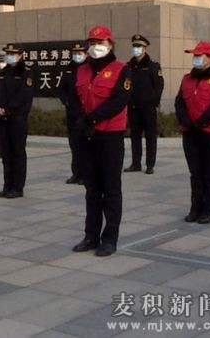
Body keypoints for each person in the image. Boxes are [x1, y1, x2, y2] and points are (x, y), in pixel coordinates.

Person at [71, 26, 130, 258]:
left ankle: (110, 238)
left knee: (111, 189)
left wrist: (92, 119)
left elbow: (119, 100)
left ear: (110, 45)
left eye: (101, 42)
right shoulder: (81, 70)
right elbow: (74, 99)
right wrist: (82, 122)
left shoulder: (121, 69)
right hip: (87, 136)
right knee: (92, 189)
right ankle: (91, 236)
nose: (96, 47)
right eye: (92, 42)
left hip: (110, 136)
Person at [175, 41, 210, 224]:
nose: (195, 58)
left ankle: (208, 211)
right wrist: (186, 122)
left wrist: (200, 123)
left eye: (199, 56)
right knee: (195, 173)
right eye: (194, 56)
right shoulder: (187, 79)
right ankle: (195, 209)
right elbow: (179, 102)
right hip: (190, 132)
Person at [0, 43, 34, 198]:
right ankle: (7, 185)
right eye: (8, 54)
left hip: (17, 119)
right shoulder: (4, 72)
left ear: (20, 56)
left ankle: (18, 187)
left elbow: (24, 97)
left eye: (13, 54)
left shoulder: (25, 72)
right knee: (6, 153)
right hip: (2, 119)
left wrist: (8, 109)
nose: (10, 57)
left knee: (17, 153)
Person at [126, 34, 164, 175]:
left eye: (139, 46)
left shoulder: (153, 65)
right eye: (134, 46)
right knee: (135, 137)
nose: (136, 49)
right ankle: (136, 163)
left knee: (150, 137)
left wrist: (153, 102)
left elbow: (159, 86)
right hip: (133, 108)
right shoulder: (129, 66)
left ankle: (150, 164)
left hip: (148, 109)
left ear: (145, 48)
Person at [58, 43, 87, 185]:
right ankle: (76, 173)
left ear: (86, 54)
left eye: (80, 53)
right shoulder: (69, 69)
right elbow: (61, 89)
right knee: (74, 144)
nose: (77, 56)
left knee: (84, 144)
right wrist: (66, 101)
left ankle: (85, 175)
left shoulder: (89, 68)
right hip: (71, 112)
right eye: (75, 53)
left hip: (84, 112)